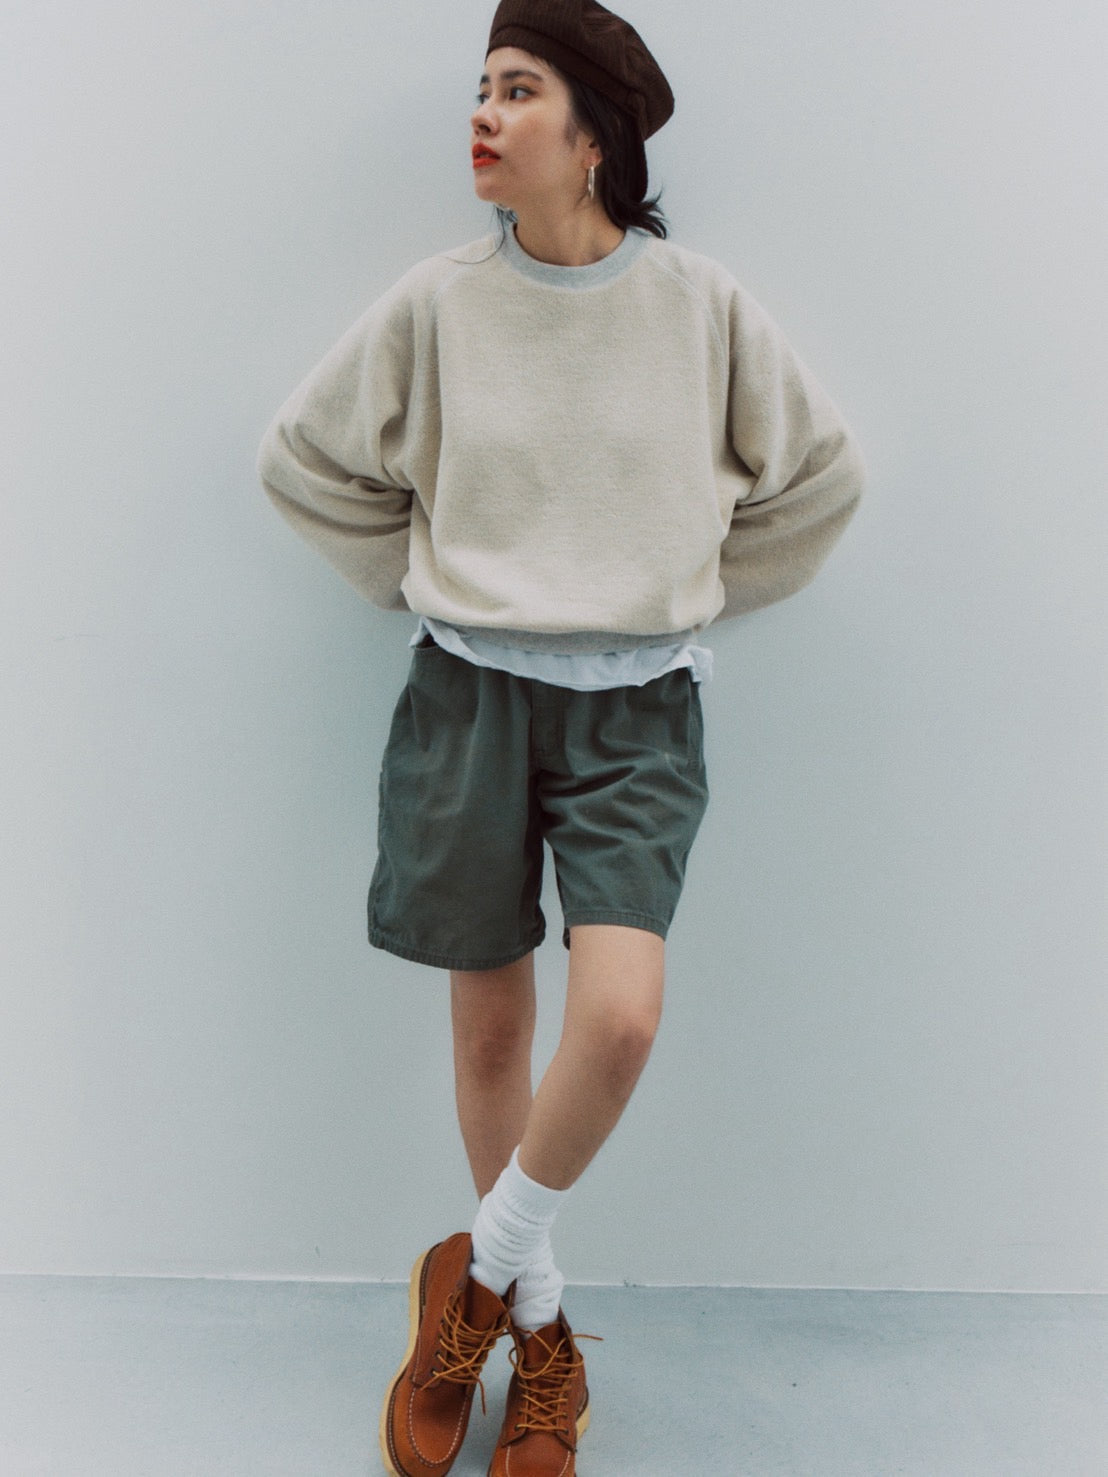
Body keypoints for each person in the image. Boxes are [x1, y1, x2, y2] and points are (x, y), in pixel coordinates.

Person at [256, 2, 865, 1472]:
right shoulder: (437, 305)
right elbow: (302, 461)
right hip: (468, 697)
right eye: (480, 87)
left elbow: (822, 479)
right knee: (492, 1032)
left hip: (640, 711)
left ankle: (471, 1272)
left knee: (621, 1016)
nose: (482, 112)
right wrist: (423, 577)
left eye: (517, 90)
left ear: (597, 137)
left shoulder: (701, 306)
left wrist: (689, 584)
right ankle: (538, 1337)